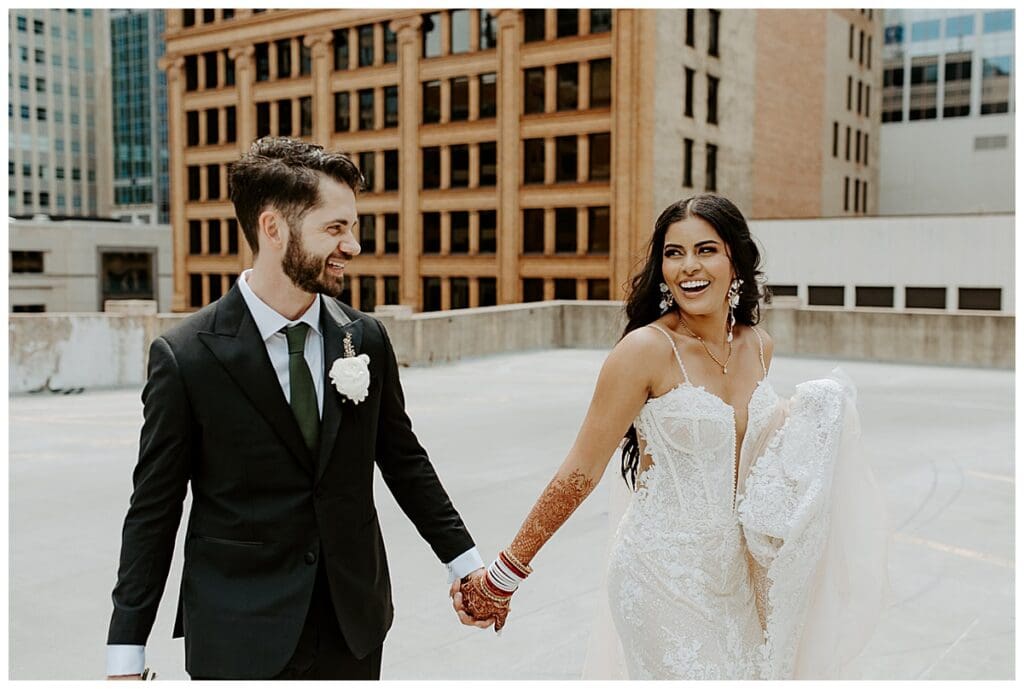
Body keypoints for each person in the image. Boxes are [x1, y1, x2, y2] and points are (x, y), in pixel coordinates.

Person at [454, 194, 888, 679]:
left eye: (706, 250)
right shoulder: (643, 351)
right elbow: (581, 469)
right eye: (673, 253)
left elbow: (760, 457)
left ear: (735, 261)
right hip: (659, 576)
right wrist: (503, 575)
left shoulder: (760, 347)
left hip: (738, 583)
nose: (688, 267)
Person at [106, 137, 487, 681]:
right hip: (238, 633)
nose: (352, 245)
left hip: (352, 625)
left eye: (351, 227)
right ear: (273, 229)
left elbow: (403, 461)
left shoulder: (366, 338)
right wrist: (126, 650)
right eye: (335, 229)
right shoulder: (186, 356)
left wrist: (466, 564)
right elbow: (153, 510)